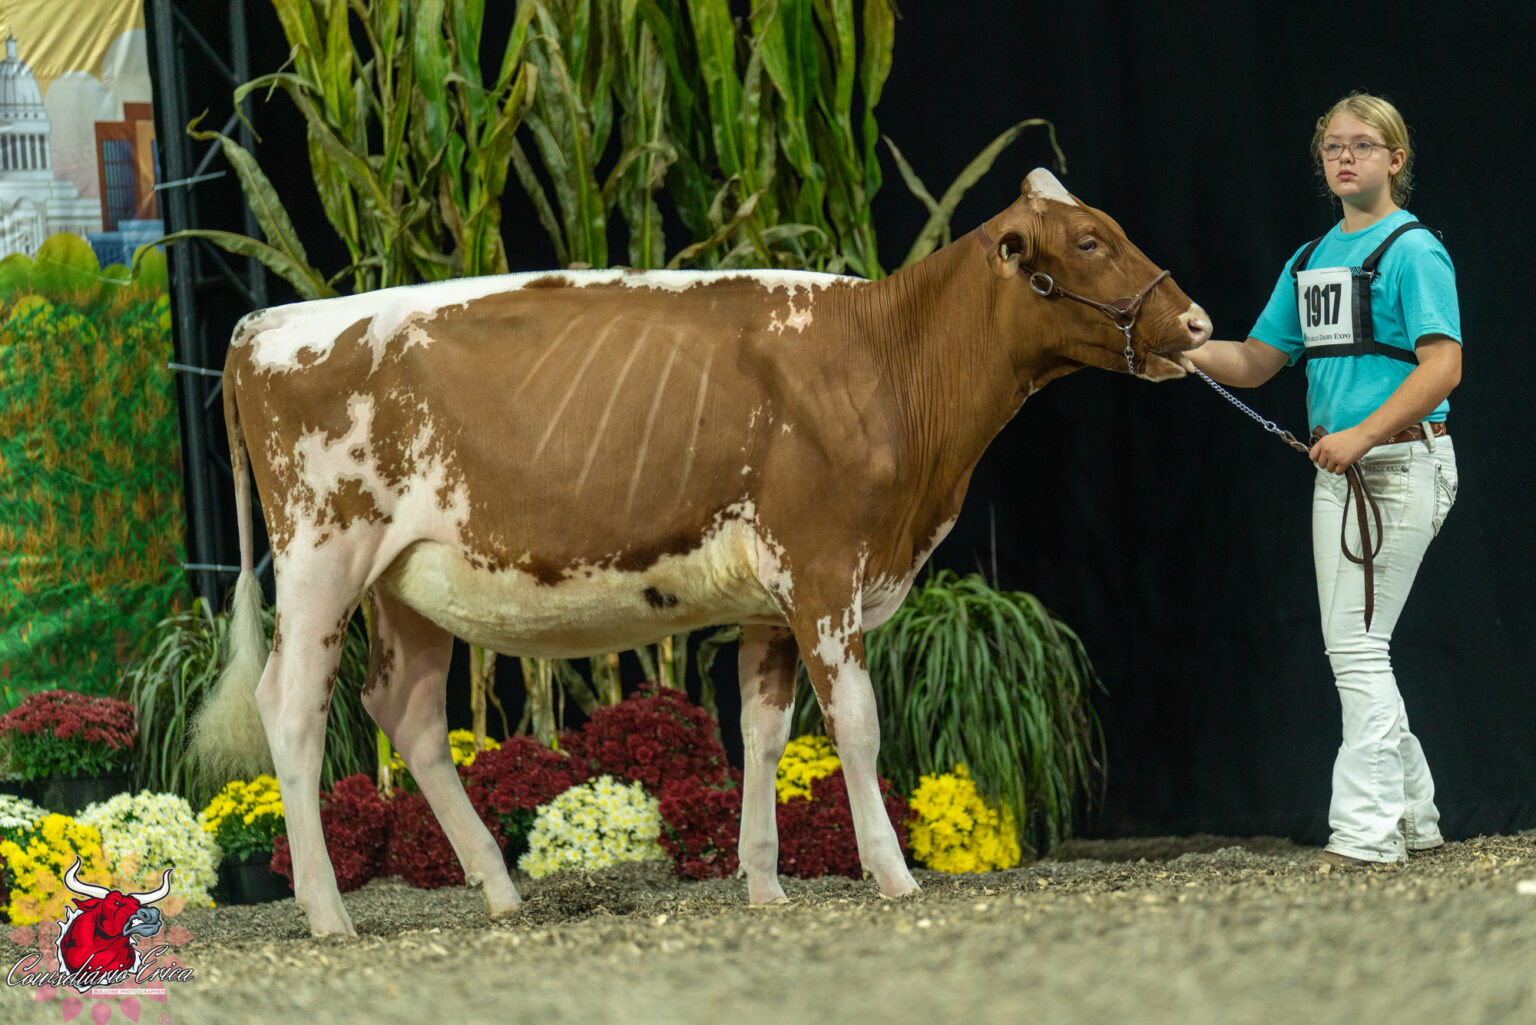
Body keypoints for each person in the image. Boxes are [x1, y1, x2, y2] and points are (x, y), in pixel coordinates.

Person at [1186, 92, 1462, 865]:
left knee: (1357, 648)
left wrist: (1362, 435)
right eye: (1334, 146)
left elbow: (1444, 366)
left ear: (1395, 160)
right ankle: (1415, 816)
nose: (1345, 157)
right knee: (1358, 645)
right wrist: (1181, 346)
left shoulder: (1413, 251)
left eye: (1363, 145)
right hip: (1342, 472)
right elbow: (1255, 360)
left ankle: (1367, 833)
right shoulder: (1309, 260)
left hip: (1400, 462)